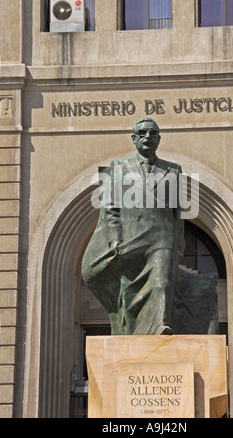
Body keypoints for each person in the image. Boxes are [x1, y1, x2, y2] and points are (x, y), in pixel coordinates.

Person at [81, 117, 185, 335]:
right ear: (134, 138)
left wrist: (179, 243)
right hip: (130, 237)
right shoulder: (119, 167)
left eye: (153, 133)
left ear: (159, 139)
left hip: (162, 237)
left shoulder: (173, 170)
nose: (148, 137)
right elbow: (110, 206)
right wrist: (115, 238)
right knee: (125, 288)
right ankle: (132, 329)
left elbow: (178, 213)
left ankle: (159, 327)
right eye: (143, 133)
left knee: (161, 284)